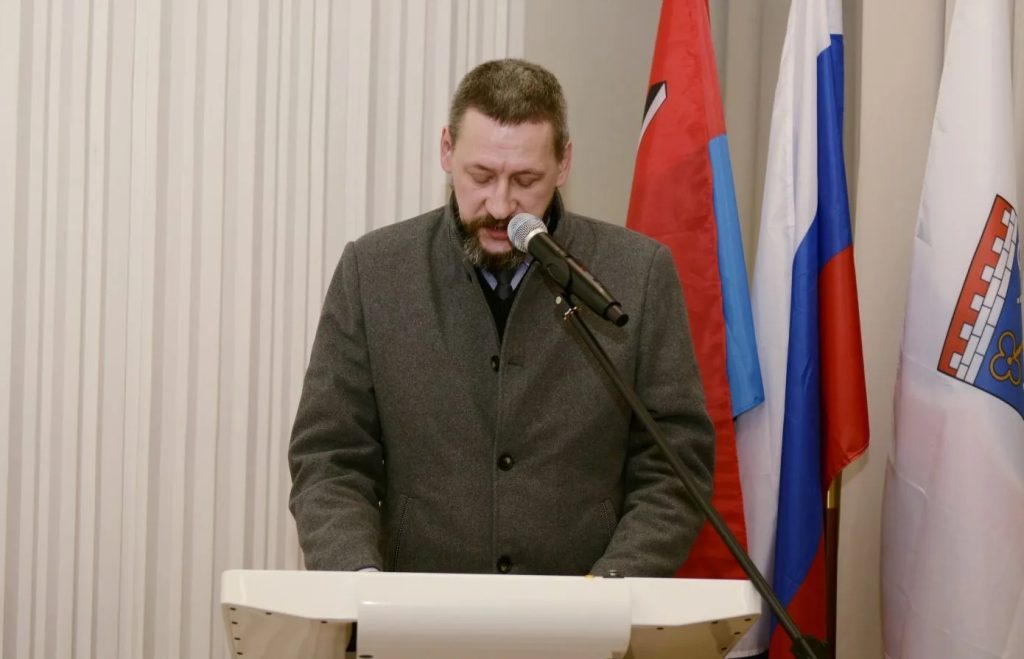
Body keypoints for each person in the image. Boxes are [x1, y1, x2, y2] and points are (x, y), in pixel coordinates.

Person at [288, 58, 714, 577]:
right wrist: (357, 580)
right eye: (481, 175)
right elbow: (329, 458)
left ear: (564, 163)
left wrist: (615, 583)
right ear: (447, 150)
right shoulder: (374, 270)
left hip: (584, 612)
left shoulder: (637, 273)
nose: (500, 205)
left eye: (526, 179)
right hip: (413, 610)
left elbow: (675, 466)